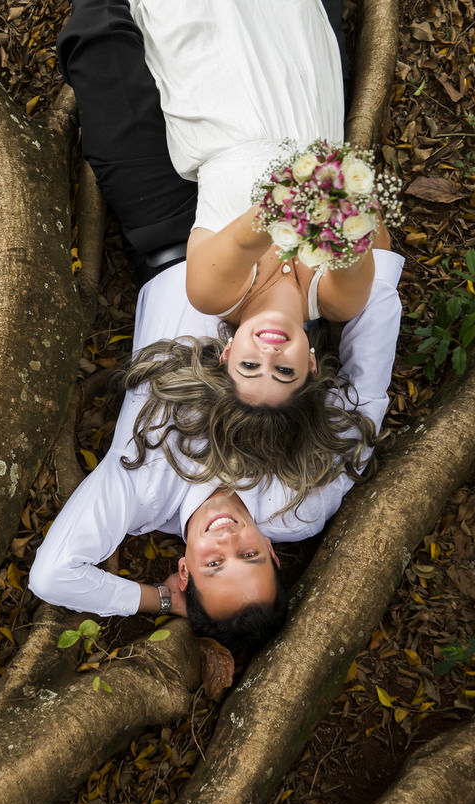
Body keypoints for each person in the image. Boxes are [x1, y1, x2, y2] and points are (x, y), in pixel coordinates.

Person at [28, 0, 405, 654]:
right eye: (250, 558)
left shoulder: (139, 490)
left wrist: (151, 601)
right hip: (283, 250)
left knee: (99, 43)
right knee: (286, 50)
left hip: (173, 236)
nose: (229, 541)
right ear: (275, 556)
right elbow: (367, 391)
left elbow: (54, 572)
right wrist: (369, 246)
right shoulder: (300, 506)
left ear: (183, 569)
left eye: (212, 564)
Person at [62, 0, 395, 503]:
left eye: (249, 367)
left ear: (226, 356)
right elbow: (362, 225)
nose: (268, 352)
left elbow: (253, 227)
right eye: (283, 371)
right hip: (303, 95)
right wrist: (344, 216)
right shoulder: (339, 302)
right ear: (309, 367)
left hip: (219, 90)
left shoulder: (213, 293)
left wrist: (319, 205)